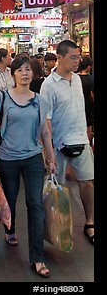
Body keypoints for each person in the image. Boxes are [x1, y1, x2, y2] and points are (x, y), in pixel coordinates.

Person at [0, 53, 56, 278]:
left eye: (28, 70)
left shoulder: (39, 99)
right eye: (20, 70)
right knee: (11, 199)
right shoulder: (3, 99)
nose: (25, 74)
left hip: (33, 157)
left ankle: (37, 257)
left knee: (35, 204)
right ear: (13, 74)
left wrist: (50, 156)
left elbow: (45, 131)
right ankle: (10, 228)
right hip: (8, 158)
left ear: (32, 73)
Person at [40, 40, 94, 246]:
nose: (77, 61)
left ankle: (90, 223)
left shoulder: (78, 80)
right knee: (58, 188)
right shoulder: (49, 85)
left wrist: (87, 136)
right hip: (59, 144)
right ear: (60, 58)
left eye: (78, 57)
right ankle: (58, 227)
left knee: (87, 183)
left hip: (80, 139)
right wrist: (49, 151)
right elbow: (46, 120)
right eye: (73, 57)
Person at [77, 56, 94, 144]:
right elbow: (91, 95)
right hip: (88, 105)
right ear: (88, 67)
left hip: (78, 106)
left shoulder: (75, 78)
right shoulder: (90, 79)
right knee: (89, 128)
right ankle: (88, 145)